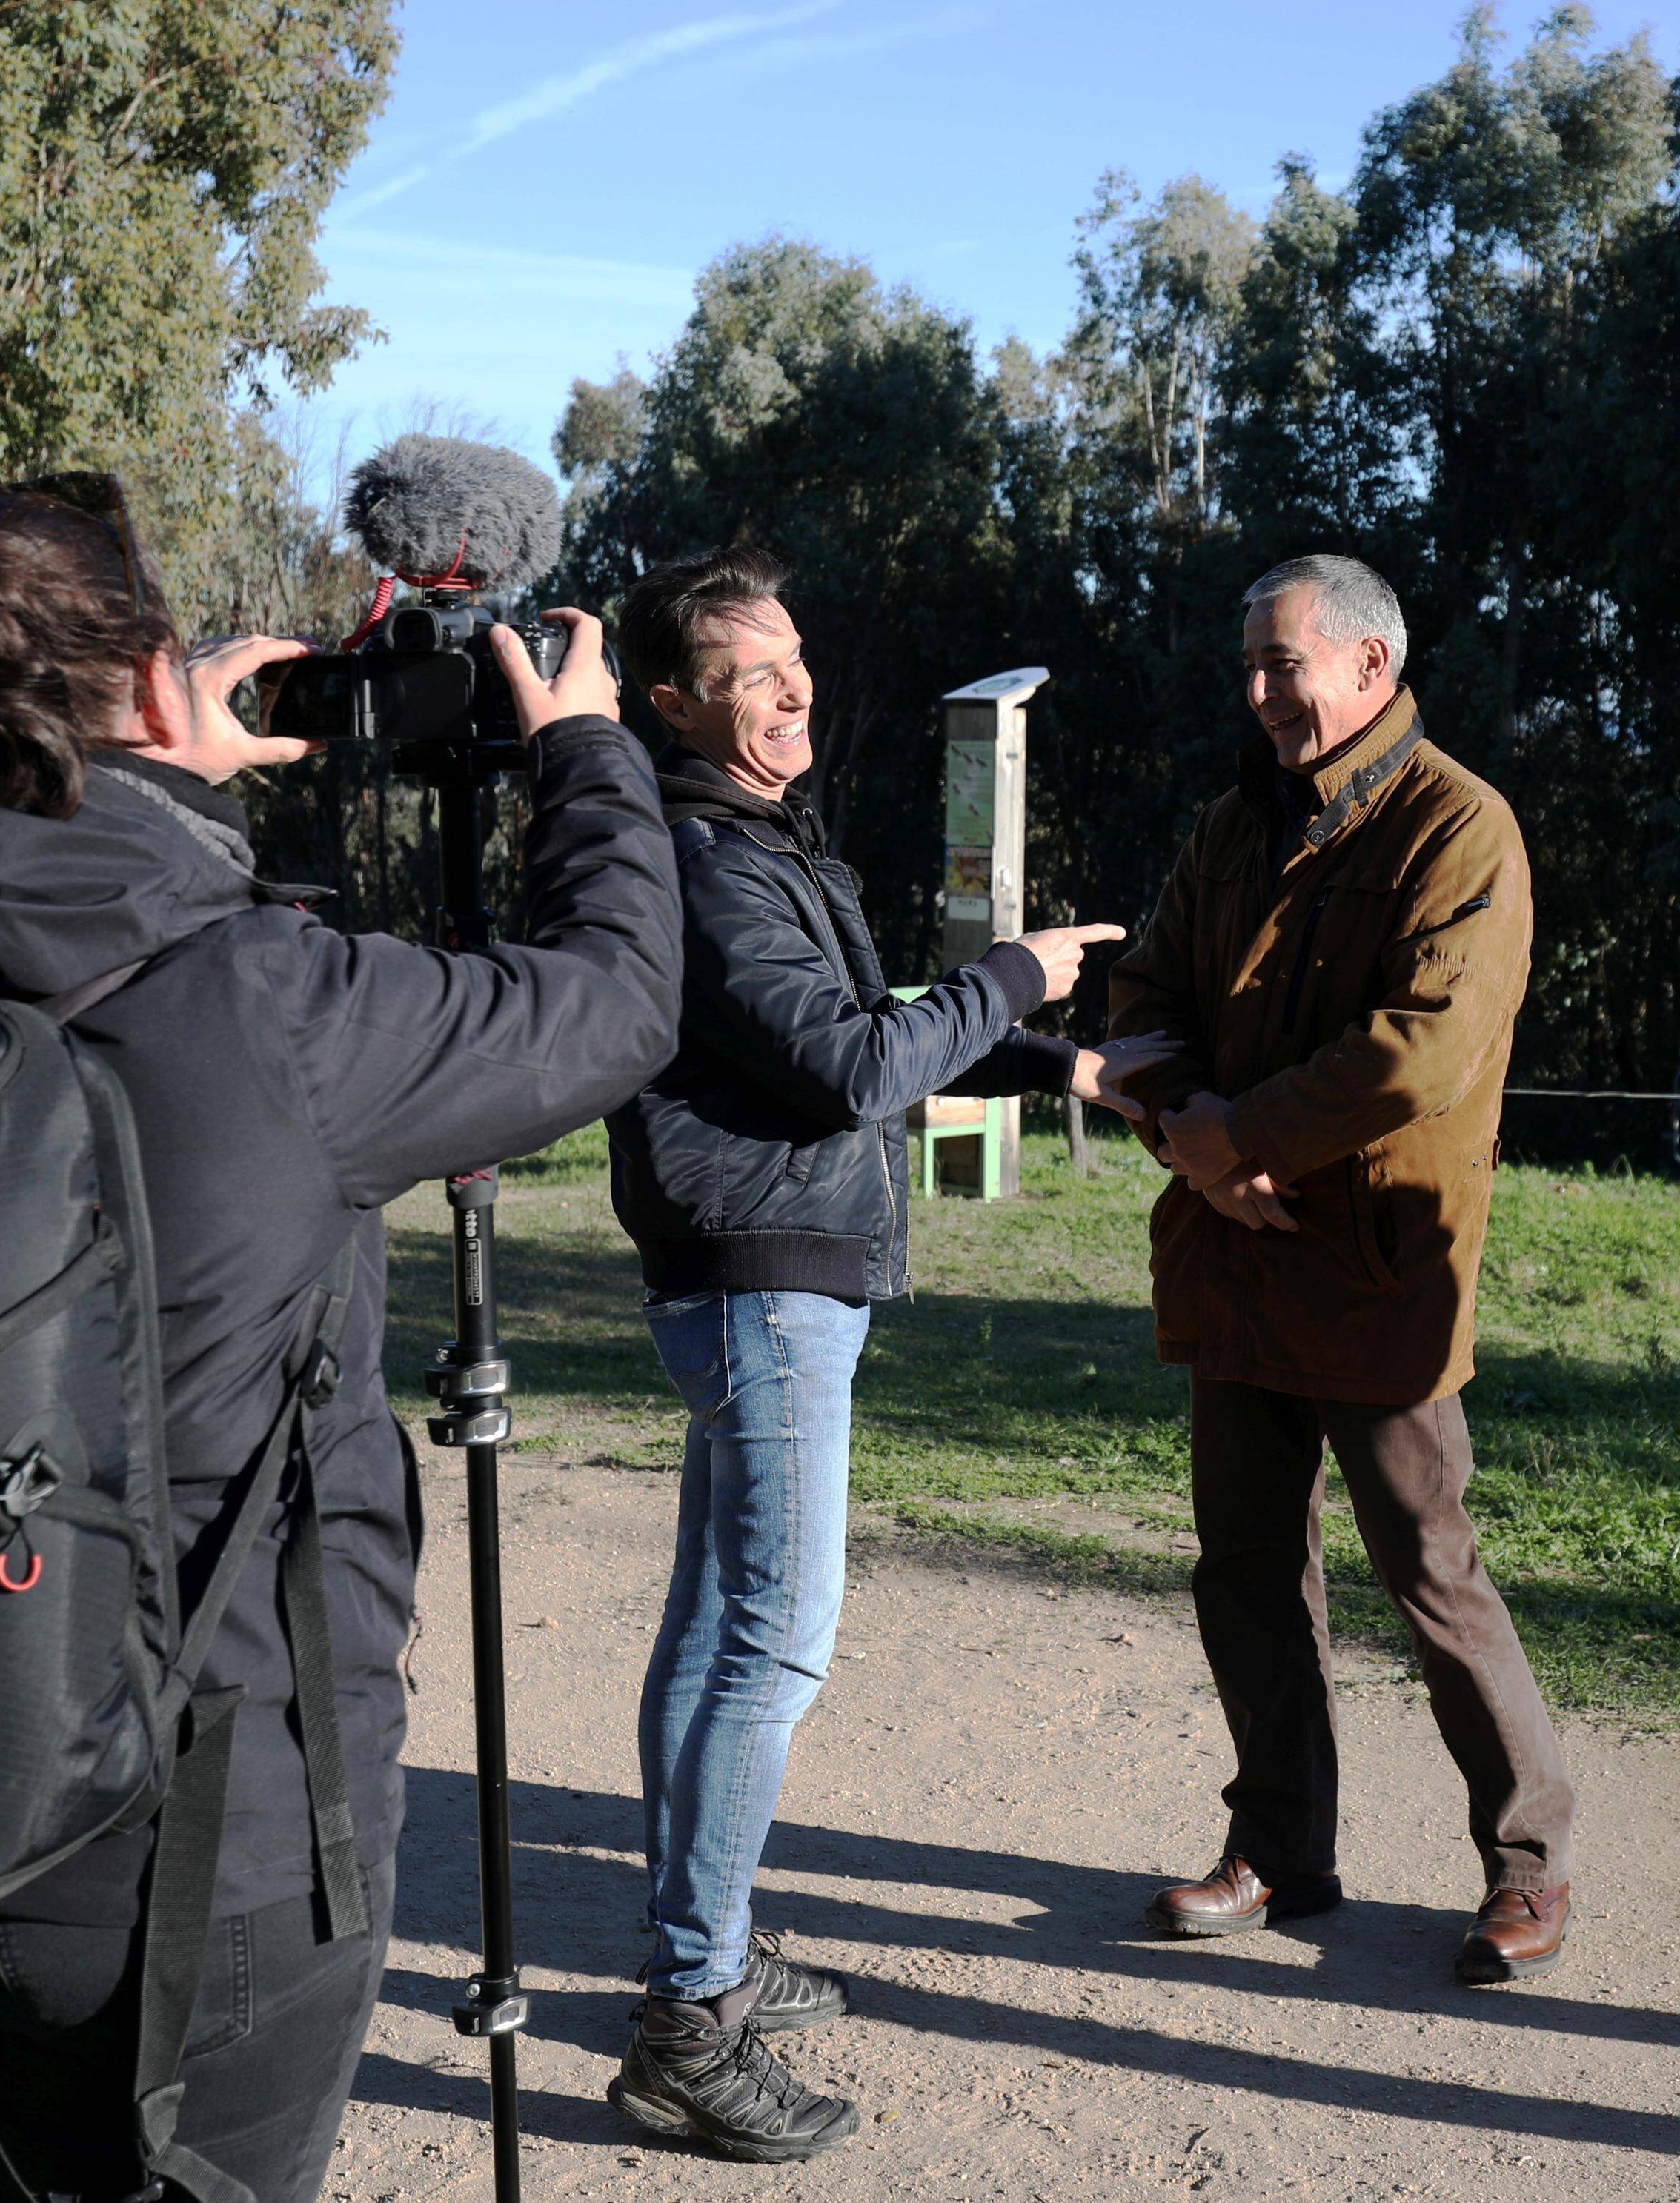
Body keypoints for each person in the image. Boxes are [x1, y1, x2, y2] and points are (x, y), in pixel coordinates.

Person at [0, 476, 677, 2199]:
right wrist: (589, 756)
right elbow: (611, 999)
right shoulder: (266, 1003)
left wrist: (143, 766)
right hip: (188, 1838)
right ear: (157, 688)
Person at [600, 541, 1137, 2162]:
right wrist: (1010, 972)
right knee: (772, 1645)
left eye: (796, 663)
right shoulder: (705, 853)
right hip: (765, 1284)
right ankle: (690, 2021)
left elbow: (846, 1020)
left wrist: (1049, 1053)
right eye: (755, 673)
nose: (791, 690)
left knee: (714, 1638)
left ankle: (710, 1946)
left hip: (768, 1271)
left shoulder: (753, 837)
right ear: (671, 699)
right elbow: (848, 1064)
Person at [1102, 553, 1575, 1985]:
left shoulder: (1463, 828)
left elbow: (1423, 1046)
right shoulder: (1231, 823)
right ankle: (1283, 1848)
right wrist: (1189, 1132)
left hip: (1375, 1274)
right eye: (1247, 665)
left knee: (1431, 1571)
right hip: (1233, 1263)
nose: (1255, 692)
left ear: (1371, 667)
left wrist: (1242, 1139)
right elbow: (1146, 995)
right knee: (1245, 1575)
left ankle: (1528, 1867)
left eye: (1279, 663)